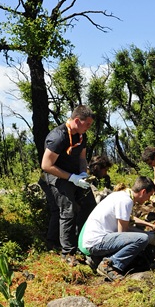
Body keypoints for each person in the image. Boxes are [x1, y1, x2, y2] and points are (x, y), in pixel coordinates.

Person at [41, 105, 97, 266]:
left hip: (76, 175)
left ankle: (83, 241)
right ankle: (67, 253)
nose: (89, 128)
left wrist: (83, 173)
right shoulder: (58, 137)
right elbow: (46, 165)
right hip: (57, 176)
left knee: (89, 204)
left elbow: (81, 157)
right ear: (78, 121)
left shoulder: (81, 135)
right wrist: (71, 177)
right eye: (87, 124)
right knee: (68, 209)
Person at [79, 176, 155, 281]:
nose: (148, 199)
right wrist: (149, 237)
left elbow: (128, 220)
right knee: (142, 239)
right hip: (96, 242)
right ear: (143, 192)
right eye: (149, 195)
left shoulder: (120, 195)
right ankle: (109, 265)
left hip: (91, 240)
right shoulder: (126, 201)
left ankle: (97, 259)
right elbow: (123, 233)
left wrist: (150, 226)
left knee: (141, 236)